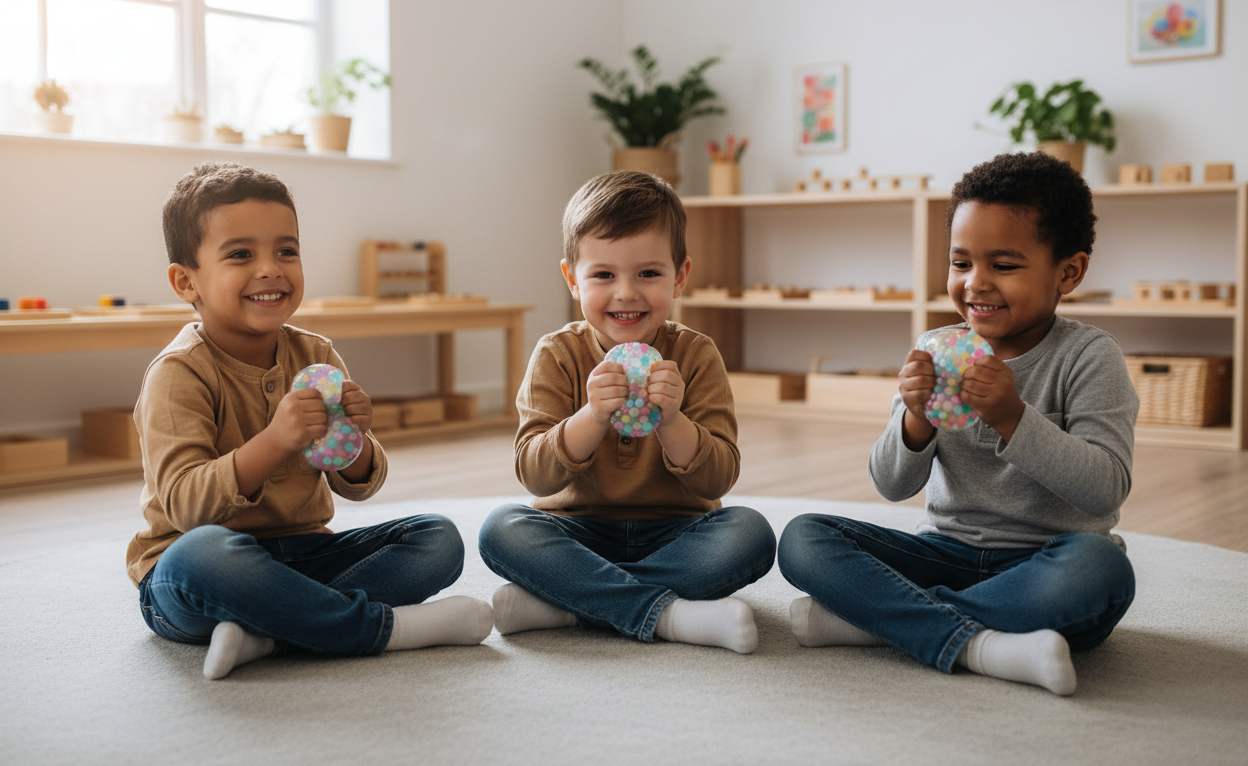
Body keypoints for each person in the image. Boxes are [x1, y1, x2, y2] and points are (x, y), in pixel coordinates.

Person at [778, 152, 1138, 695]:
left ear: (1070, 271)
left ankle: (877, 623)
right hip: (944, 554)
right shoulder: (935, 347)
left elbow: (1104, 488)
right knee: (805, 537)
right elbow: (891, 484)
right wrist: (916, 420)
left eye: (1004, 265)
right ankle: (981, 641)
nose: (976, 284)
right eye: (961, 263)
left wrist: (1013, 417)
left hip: (1046, 563)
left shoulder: (1090, 357)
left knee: (1102, 571)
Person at [127, 162, 492, 680]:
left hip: (305, 553)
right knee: (198, 557)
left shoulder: (316, 353)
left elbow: (358, 486)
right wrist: (276, 440)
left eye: (286, 251)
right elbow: (186, 507)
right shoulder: (178, 374)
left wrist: (356, 442)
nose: (271, 268)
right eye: (240, 255)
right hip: (202, 574)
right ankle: (386, 630)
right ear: (187, 281)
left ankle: (273, 634)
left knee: (437, 539)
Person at [478, 170, 776, 653]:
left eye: (649, 274)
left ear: (680, 276)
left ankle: (571, 605)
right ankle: (668, 615)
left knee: (750, 534)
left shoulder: (698, 355)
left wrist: (674, 420)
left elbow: (717, 481)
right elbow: (535, 477)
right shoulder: (556, 354)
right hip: (576, 532)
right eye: (603, 275)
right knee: (501, 530)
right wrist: (591, 417)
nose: (626, 293)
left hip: (677, 532)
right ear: (572, 279)